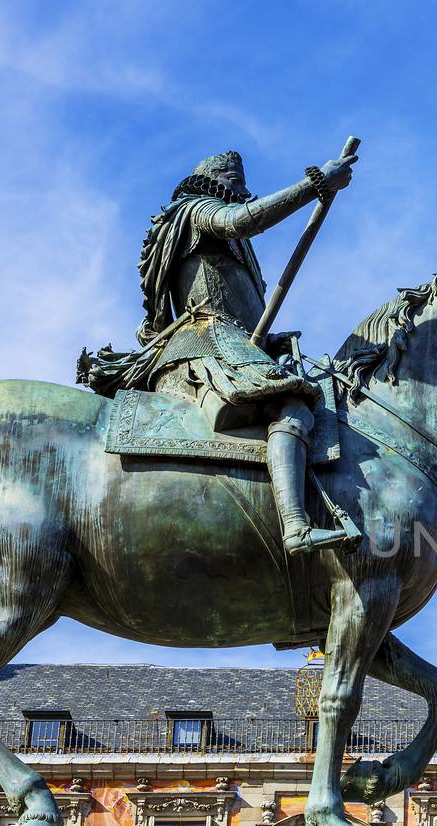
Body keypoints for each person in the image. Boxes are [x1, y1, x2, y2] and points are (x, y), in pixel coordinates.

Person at [132, 148, 357, 554]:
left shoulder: (225, 241)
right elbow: (242, 222)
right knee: (292, 405)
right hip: (205, 340)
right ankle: (295, 527)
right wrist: (316, 183)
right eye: (237, 186)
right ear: (215, 183)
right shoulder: (195, 212)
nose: (246, 195)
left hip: (233, 341)